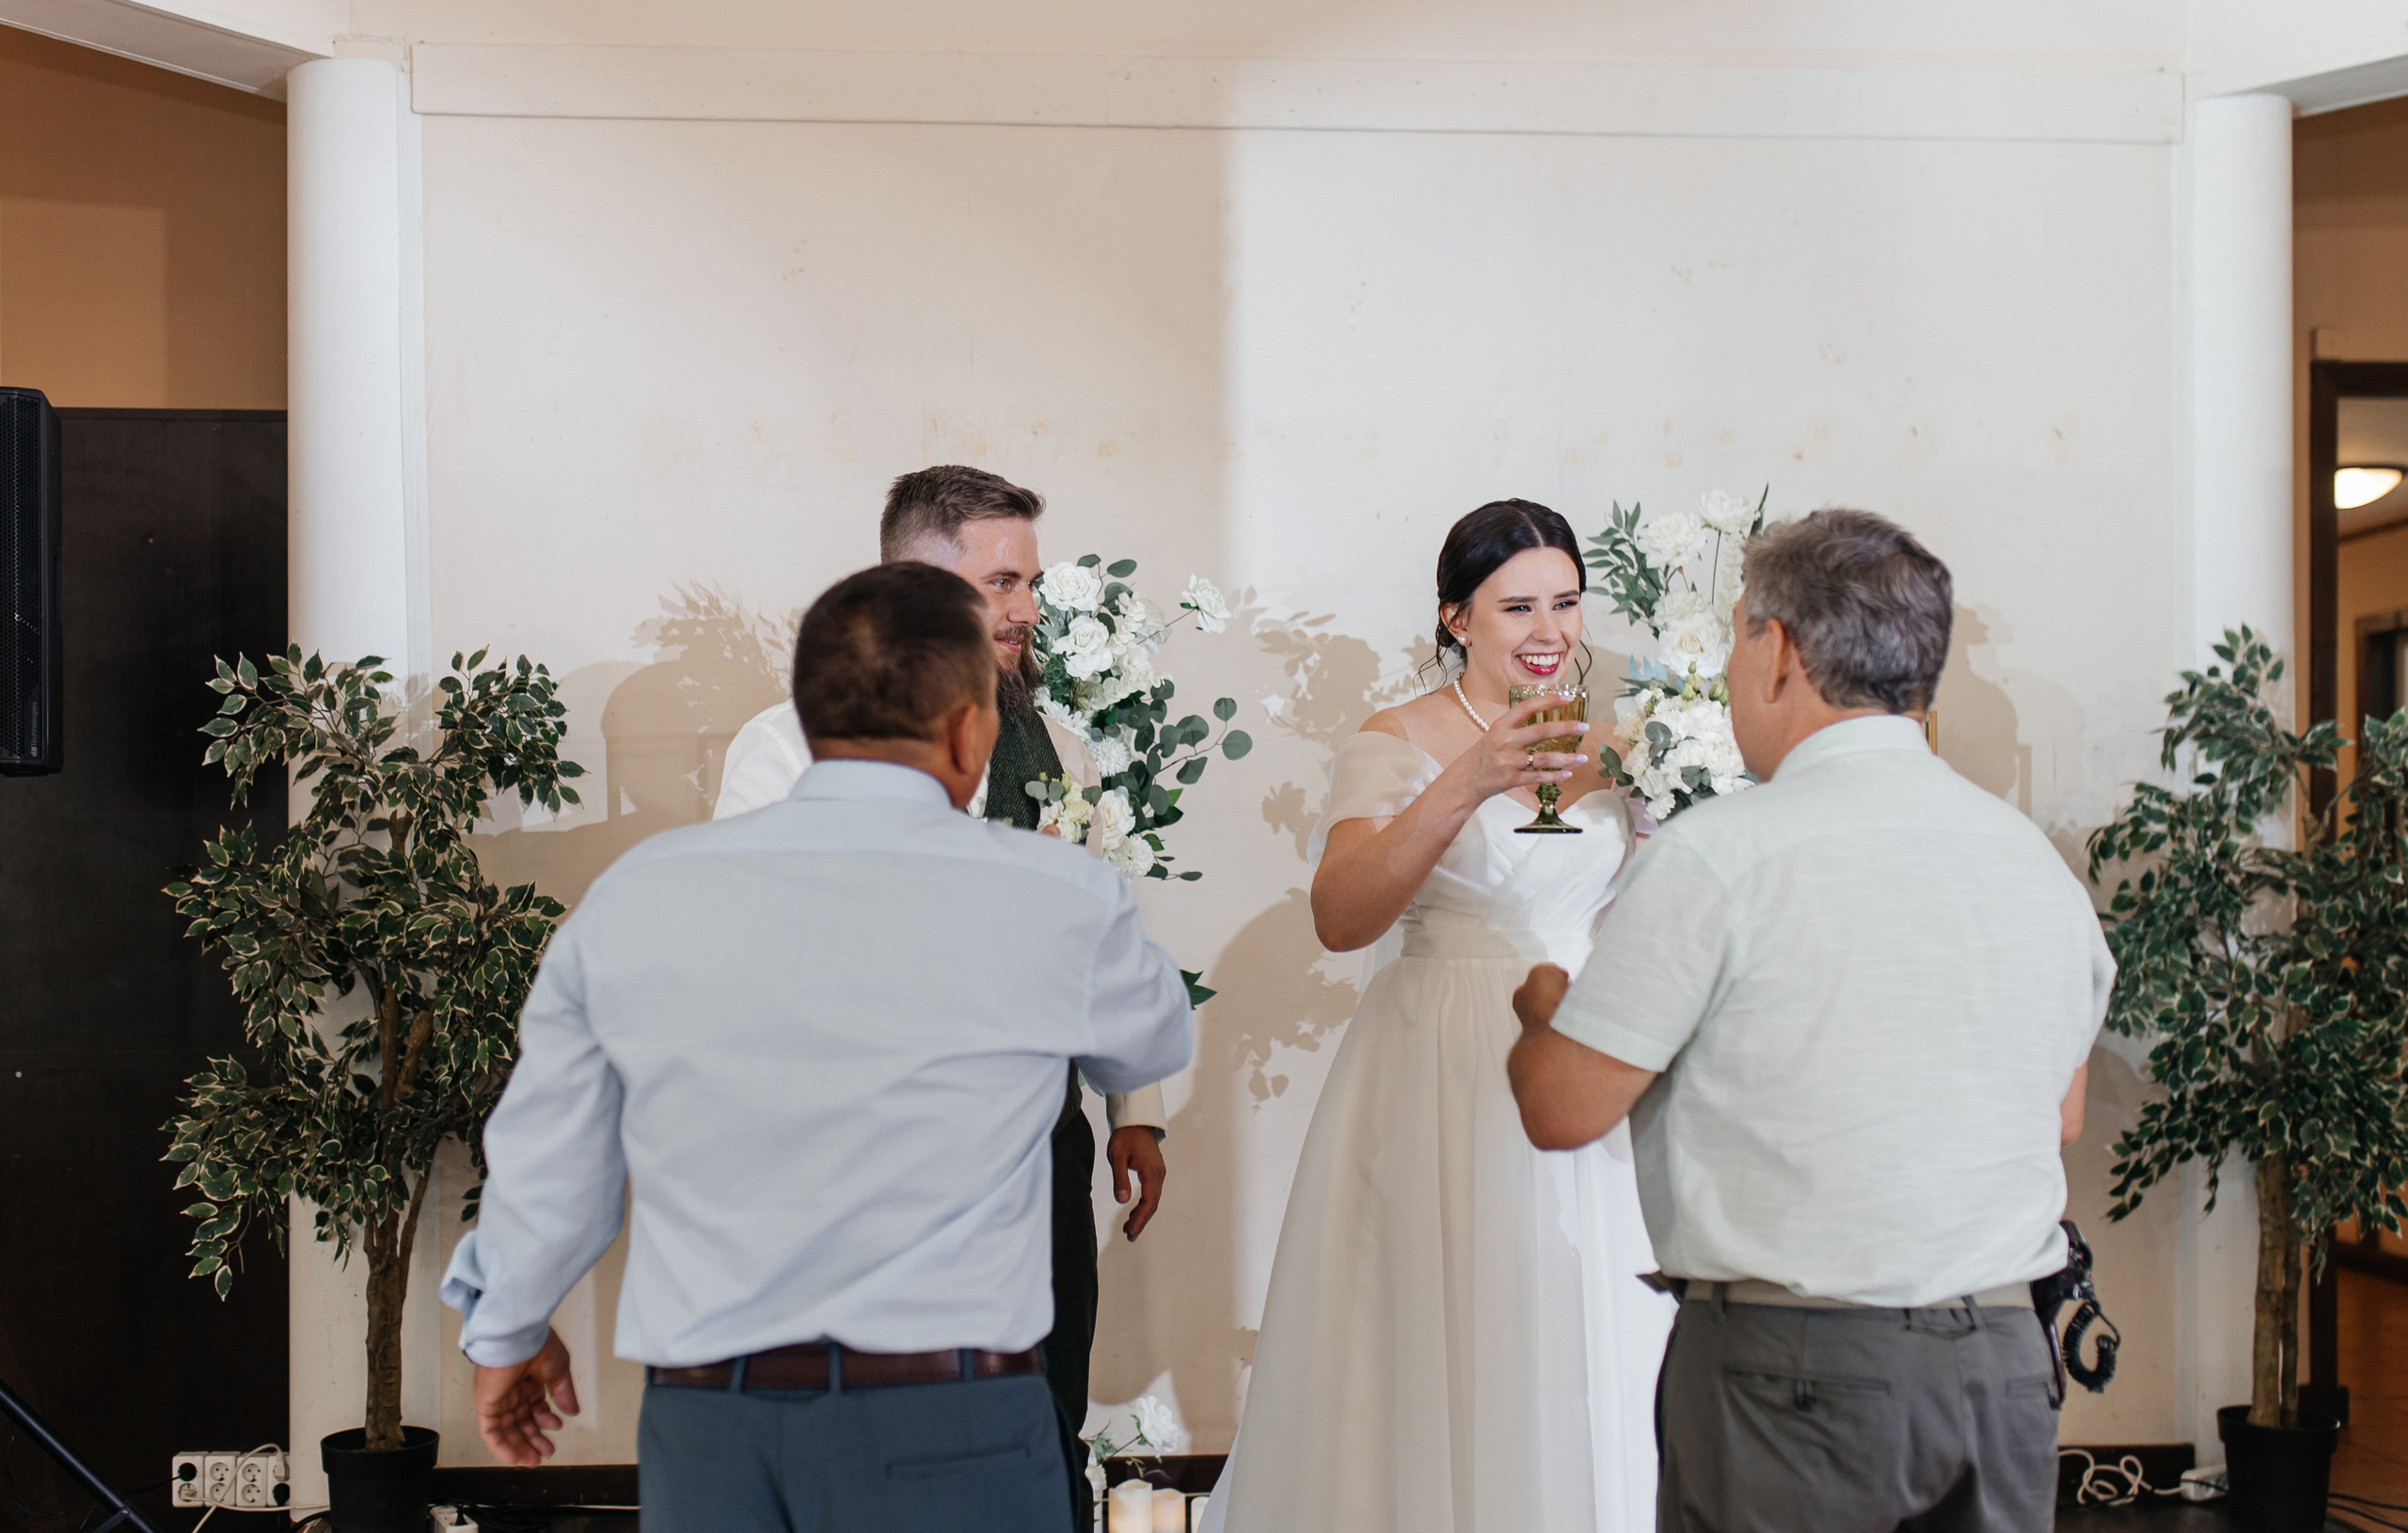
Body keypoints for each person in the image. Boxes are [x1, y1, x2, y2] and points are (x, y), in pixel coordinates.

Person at [439, 562, 1195, 1531]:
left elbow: (556, 1155)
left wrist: (506, 1329)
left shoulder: (637, 896)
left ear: (806, 718)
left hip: (712, 1429)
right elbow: (1149, 1038)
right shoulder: (1055, 895)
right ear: (970, 728)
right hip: (956, 1416)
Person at [1506, 508, 2110, 1533]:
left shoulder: (1719, 854)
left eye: (1738, 636)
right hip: (2005, 1361)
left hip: (1795, 1370)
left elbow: (1562, 1107)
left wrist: (1542, 1012)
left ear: (1777, 650)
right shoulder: (2032, 863)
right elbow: (2059, 1113)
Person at [1202, 500, 1676, 1533]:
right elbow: (1342, 916)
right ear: (1457, 617)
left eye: (1565, 602)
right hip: (1441, 1061)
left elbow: (1640, 922)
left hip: (1584, 1052)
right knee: (1434, 1326)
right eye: (1518, 606)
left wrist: (1660, 830)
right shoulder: (1395, 740)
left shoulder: (1624, 748)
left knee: (1589, 1317)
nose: (1549, 629)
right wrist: (1469, 779)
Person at [716, 465, 1171, 1501]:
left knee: (1040, 1412)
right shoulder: (784, 750)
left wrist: (1134, 1109)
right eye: (1001, 582)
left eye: (1031, 583)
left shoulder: (1059, 752)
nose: (1027, 609)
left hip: (1038, 1148)